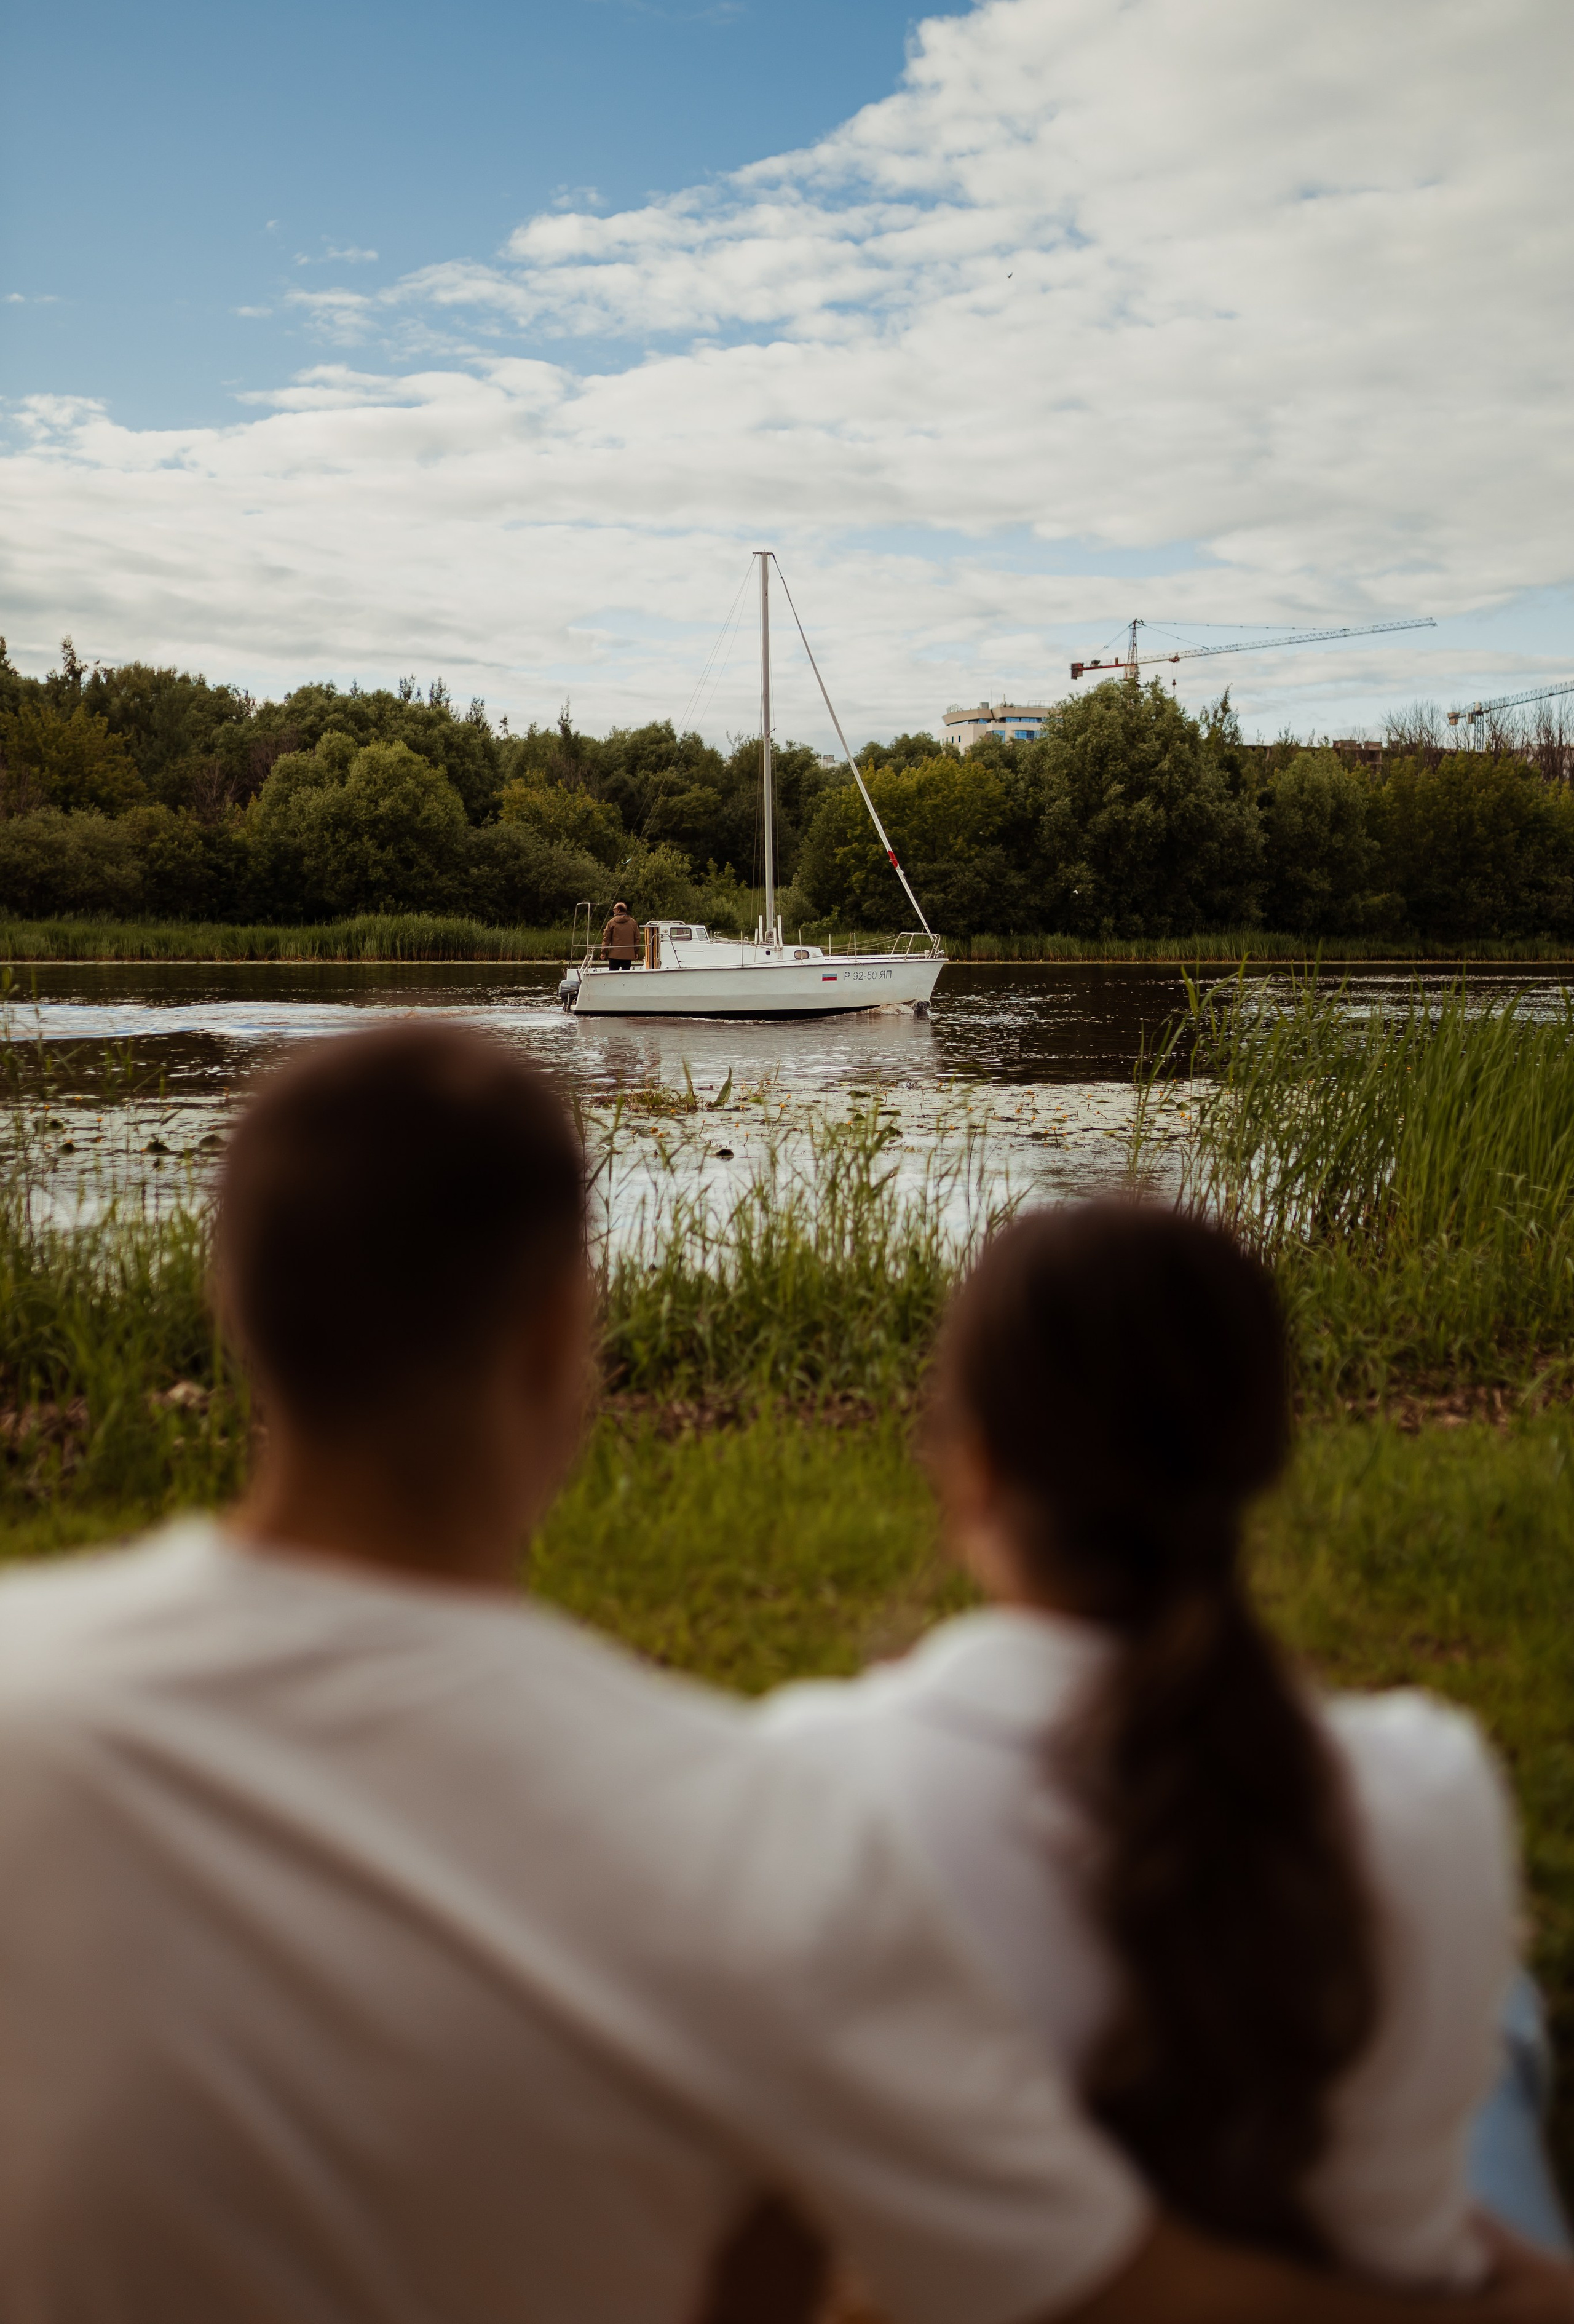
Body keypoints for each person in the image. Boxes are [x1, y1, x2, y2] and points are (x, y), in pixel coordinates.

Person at [0, 1045, 1567, 2324]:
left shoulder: (26, 1678)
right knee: (1486, 2018)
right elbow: (1104, 2289)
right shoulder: (739, 1823)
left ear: (240, 1304)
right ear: (562, 1334)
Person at [762, 1199, 1572, 2300]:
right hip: (1401, 2257)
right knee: (1501, 2015)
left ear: (972, 1467)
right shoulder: (1429, 1788)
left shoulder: (813, 1781)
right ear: (1261, 1453)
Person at [602, 898, 639, 969]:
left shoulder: (611, 922)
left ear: (618, 910)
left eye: (614, 909)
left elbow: (606, 938)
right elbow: (637, 938)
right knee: (625, 975)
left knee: (613, 975)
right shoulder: (633, 922)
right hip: (628, 955)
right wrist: (636, 951)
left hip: (614, 955)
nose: (613, 911)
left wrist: (603, 952)